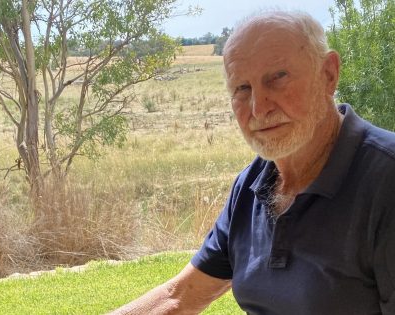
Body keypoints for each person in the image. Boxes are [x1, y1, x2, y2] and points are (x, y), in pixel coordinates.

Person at [111, 10, 395, 315]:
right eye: (242, 89)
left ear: (328, 74)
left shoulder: (385, 180)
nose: (259, 108)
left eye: (278, 77)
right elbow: (178, 297)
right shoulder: (252, 185)